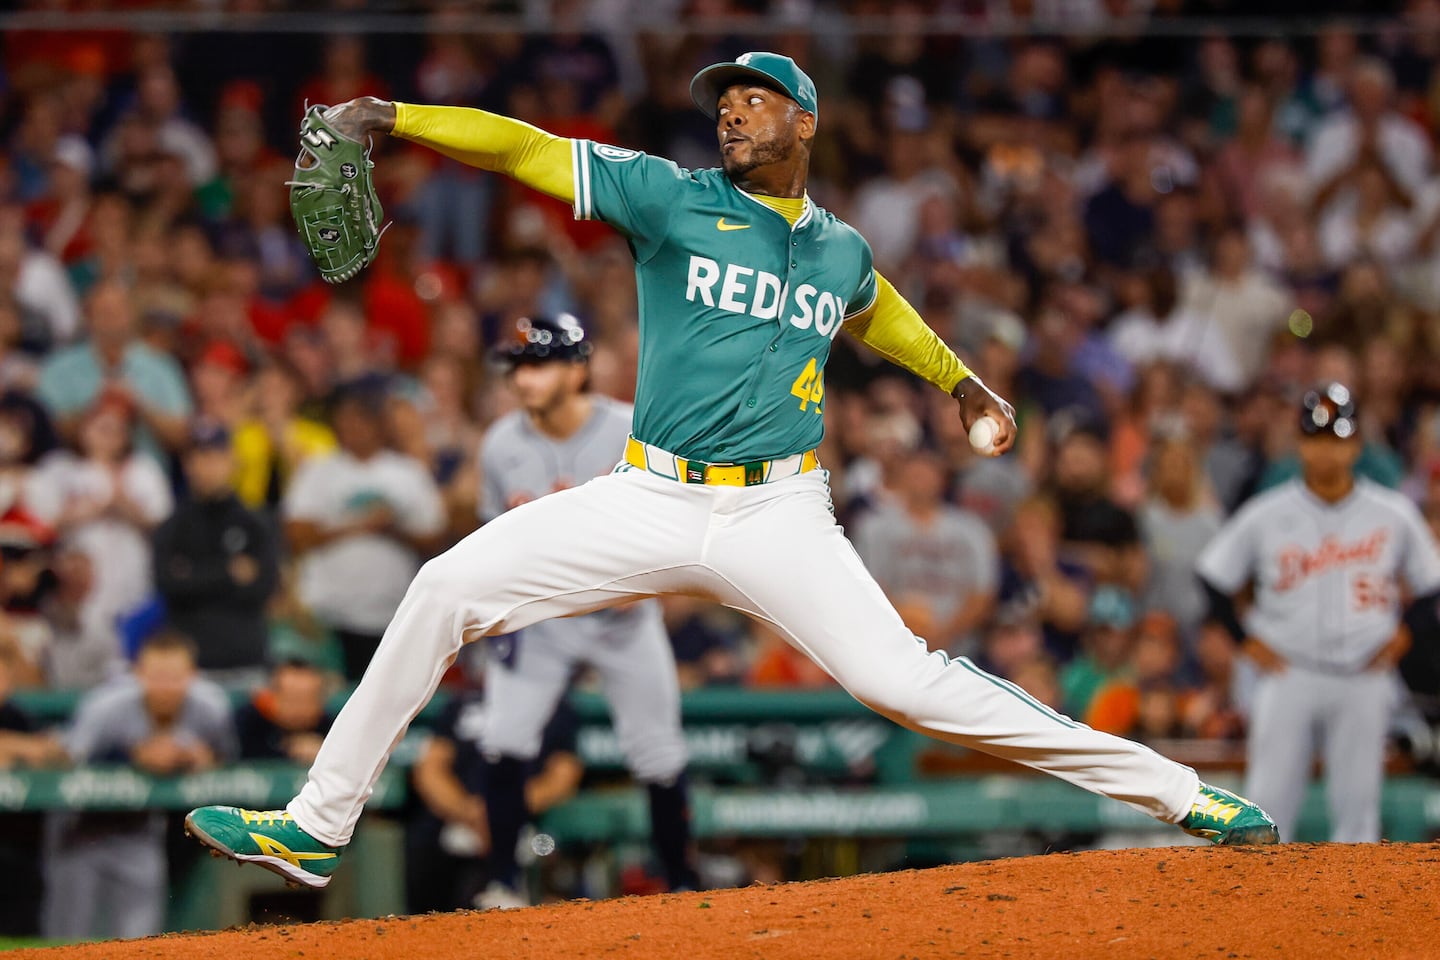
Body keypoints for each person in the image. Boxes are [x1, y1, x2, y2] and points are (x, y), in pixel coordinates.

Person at [186, 51, 1277, 891]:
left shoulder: (840, 247)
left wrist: (958, 380)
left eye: (756, 98)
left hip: (779, 514)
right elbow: (522, 146)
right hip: (648, 492)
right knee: (442, 589)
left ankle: (1182, 796)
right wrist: (394, 117)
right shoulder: (669, 198)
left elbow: (875, 307)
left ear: (804, 121)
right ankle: (318, 826)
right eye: (725, 99)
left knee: (907, 684)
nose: (733, 110)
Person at [475, 313, 699, 904]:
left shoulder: (631, 429)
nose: (523, 380)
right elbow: (497, 539)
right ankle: (502, 880)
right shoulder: (500, 444)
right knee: (504, 737)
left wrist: (648, 584)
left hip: (622, 619)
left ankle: (679, 881)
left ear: (577, 370)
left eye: (539, 365)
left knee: (658, 750)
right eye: (518, 367)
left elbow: (672, 522)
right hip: (544, 620)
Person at [1197, 383, 1440, 842]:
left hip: (1365, 674)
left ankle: (1357, 910)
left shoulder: (1393, 513)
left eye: (1338, 440)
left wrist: (1406, 635)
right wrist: (1244, 640)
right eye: (1318, 439)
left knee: (1358, 810)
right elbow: (1212, 579)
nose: (1327, 451)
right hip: (1290, 673)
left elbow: (1430, 586)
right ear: (1301, 443)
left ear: (1356, 445)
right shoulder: (1266, 513)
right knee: (1265, 805)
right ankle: (1255, 903)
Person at [46, 631, 235, 940]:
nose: (165, 687)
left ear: (192, 675)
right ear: (138, 674)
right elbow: (63, 760)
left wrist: (197, 757)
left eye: (174, 677)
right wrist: (129, 756)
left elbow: (227, 755)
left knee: (140, 940)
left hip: (141, 830)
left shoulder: (209, 707)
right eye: (156, 676)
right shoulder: (106, 706)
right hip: (79, 831)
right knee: (69, 935)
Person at [282, 381, 446, 680]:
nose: (352, 427)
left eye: (360, 419)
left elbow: (435, 537)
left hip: (392, 613)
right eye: (345, 420)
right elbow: (296, 534)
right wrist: (360, 525)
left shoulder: (407, 473)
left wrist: (391, 529)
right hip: (328, 613)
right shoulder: (318, 470)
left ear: (379, 425)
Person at [406, 669, 583, 913]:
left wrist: (503, 810)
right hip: (458, 818)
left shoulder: (555, 705)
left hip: (526, 819)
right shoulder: (462, 702)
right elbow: (431, 767)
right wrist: (467, 809)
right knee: (425, 843)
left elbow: (563, 774)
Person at [153, 418, 280, 680]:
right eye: (198, 457)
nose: (206, 466)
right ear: (187, 464)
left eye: (215, 456)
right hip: (190, 670)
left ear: (232, 460)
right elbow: (167, 585)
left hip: (247, 660)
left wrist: (193, 575)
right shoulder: (172, 526)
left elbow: (263, 587)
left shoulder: (256, 522)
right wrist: (228, 572)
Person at [235, 659, 333, 765]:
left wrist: (324, 754)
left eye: (308, 700)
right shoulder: (249, 723)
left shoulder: (333, 729)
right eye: (293, 699)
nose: (299, 709)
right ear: (273, 696)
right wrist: (289, 749)